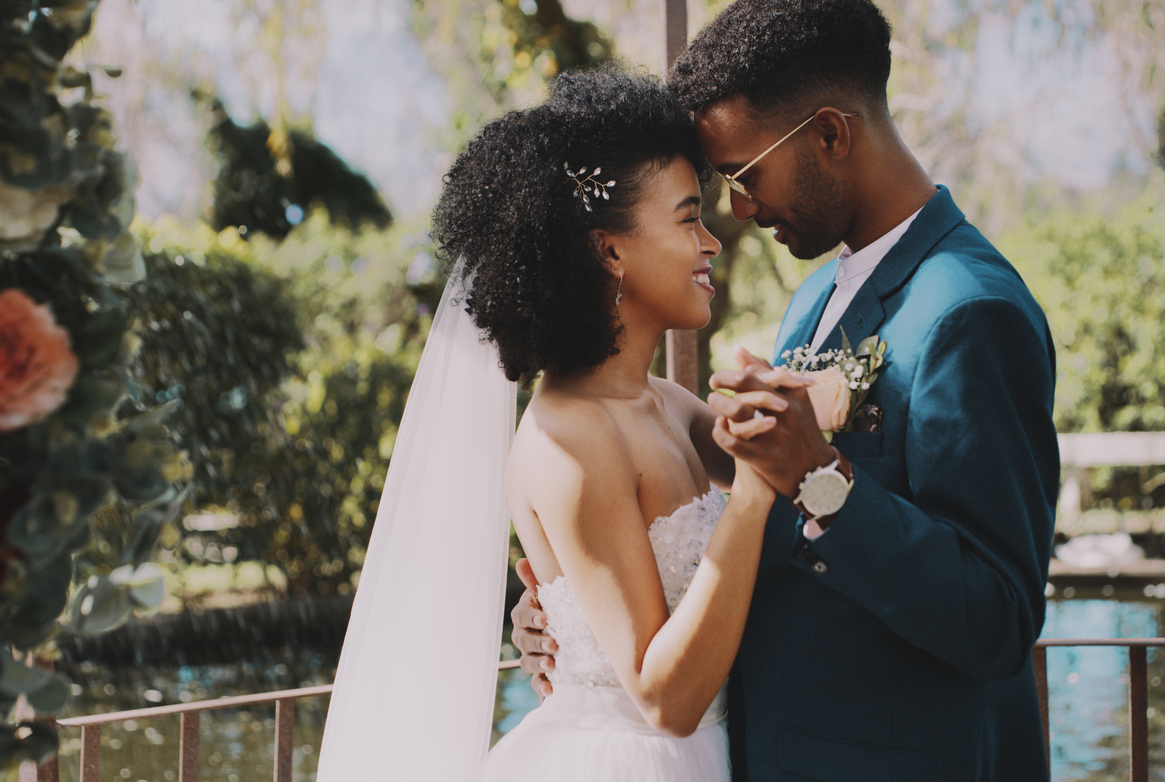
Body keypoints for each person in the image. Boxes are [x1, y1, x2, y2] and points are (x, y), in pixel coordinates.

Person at [511, 1, 1061, 780]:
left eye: (743, 174)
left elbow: (999, 619)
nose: (737, 209)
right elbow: (755, 539)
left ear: (830, 134)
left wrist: (823, 480)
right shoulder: (811, 301)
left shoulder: (969, 312)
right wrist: (581, 629)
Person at [316, 67, 802, 782]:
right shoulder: (566, 441)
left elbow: (794, 471)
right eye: (686, 216)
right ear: (609, 250)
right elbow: (663, 697)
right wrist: (753, 493)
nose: (711, 243)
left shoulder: (665, 403)